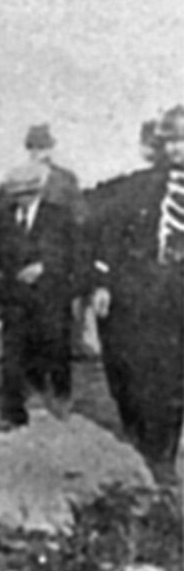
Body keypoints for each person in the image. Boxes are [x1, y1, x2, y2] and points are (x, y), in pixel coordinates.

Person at [87, 105, 184, 484]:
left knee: (175, 376)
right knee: (143, 372)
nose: (175, 149)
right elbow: (108, 233)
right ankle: (150, 446)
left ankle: (161, 452)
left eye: (182, 141)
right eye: (170, 141)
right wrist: (101, 281)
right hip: (142, 296)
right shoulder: (140, 187)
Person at [0, 164, 82, 430]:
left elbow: (73, 253)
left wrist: (45, 267)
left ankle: (60, 395)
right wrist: (0, 278)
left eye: (27, 193)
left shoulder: (59, 217)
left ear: (38, 191)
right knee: (12, 355)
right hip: (15, 297)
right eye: (17, 194)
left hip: (51, 295)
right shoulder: (2, 220)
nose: (22, 199)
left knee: (55, 347)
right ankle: (12, 413)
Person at [24, 124, 87, 225]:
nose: (35, 152)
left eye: (40, 147)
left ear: (49, 149)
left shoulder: (66, 178)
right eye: (31, 147)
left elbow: (80, 214)